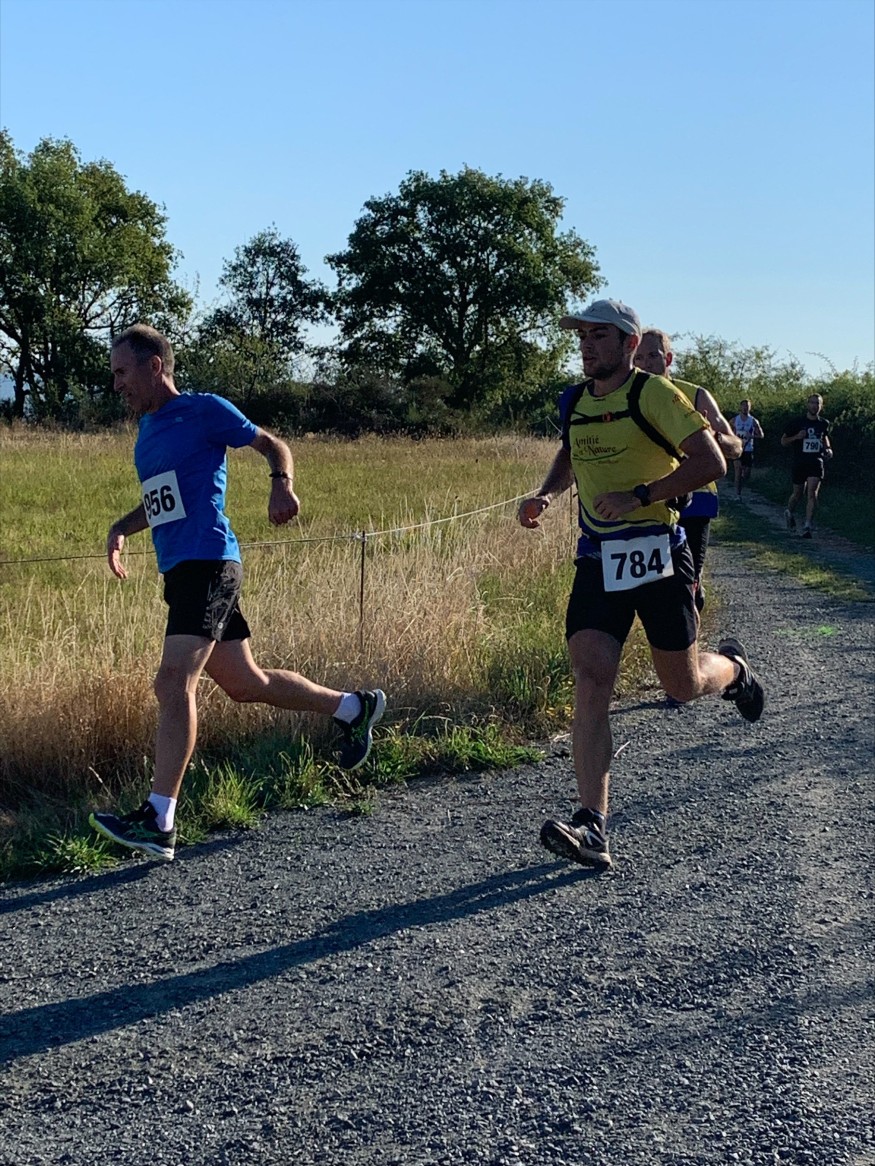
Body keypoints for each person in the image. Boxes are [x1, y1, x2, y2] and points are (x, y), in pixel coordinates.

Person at [89, 324, 386, 862]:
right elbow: (164, 500)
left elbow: (273, 445)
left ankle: (159, 819)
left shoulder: (204, 409)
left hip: (210, 561)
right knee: (246, 683)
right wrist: (120, 528)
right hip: (182, 571)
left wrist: (282, 485)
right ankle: (352, 708)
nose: (117, 385)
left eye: (122, 372)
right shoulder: (148, 429)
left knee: (173, 680)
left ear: (155, 366)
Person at [518, 300, 764, 870]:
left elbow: (711, 462)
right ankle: (592, 824)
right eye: (582, 337)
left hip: (659, 554)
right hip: (598, 557)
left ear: (629, 344)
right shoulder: (575, 401)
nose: (587, 346)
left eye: (599, 336)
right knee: (591, 678)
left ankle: (734, 669)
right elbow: (570, 453)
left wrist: (642, 496)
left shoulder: (655, 395)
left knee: (682, 684)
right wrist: (547, 493)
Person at [634, 328, 742, 614]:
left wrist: (712, 437)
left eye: (653, 356)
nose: (645, 364)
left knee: (689, 585)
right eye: (638, 358)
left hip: (695, 498)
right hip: (646, 499)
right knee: (652, 587)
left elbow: (736, 447)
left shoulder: (694, 395)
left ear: (668, 359)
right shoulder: (623, 396)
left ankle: (691, 623)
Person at [781, 393, 832, 538]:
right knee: (797, 493)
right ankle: (789, 511)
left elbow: (824, 437)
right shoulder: (797, 422)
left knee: (812, 493)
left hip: (816, 461)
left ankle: (807, 526)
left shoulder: (824, 423)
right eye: (812, 403)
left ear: (821, 406)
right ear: (807, 405)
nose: (815, 406)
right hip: (800, 462)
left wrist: (828, 449)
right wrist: (797, 437)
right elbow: (783, 441)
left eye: (818, 403)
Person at [730, 399, 765, 500]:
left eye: (747, 406)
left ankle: (741, 483)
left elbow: (761, 435)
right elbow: (727, 430)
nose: (745, 408)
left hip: (748, 449)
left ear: (750, 408)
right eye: (744, 406)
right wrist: (732, 437)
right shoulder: (734, 420)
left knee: (746, 474)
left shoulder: (753, 421)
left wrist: (752, 436)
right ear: (740, 407)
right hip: (737, 449)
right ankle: (737, 494)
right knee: (738, 470)